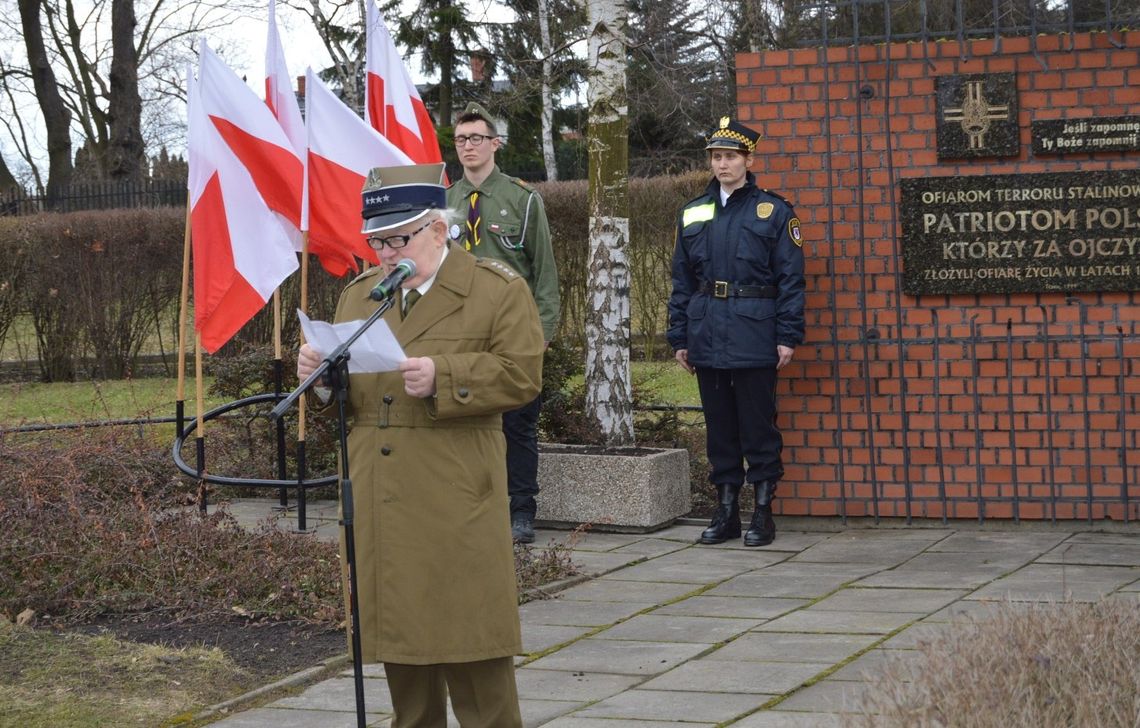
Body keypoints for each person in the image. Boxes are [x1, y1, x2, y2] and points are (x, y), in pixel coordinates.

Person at [297, 163, 544, 727]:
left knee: (476, 657)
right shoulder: (361, 297)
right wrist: (322, 379)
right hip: (380, 498)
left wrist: (446, 375)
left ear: (438, 228)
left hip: (455, 493)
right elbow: (347, 397)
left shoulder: (496, 289)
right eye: (377, 241)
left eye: (397, 238)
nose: (385, 253)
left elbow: (523, 375)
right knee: (403, 657)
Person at [666, 117, 806, 548]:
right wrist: (680, 337)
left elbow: (791, 279)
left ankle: (762, 512)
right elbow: (682, 280)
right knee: (719, 426)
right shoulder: (693, 210)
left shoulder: (774, 210)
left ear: (748, 159)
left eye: (729, 156)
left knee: (757, 425)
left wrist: (788, 334)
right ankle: (725, 510)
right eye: (715, 156)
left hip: (754, 332)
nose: (721, 164)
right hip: (707, 331)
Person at [445, 101, 560, 545]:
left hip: (512, 332)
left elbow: (544, 272)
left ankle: (521, 510)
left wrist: (542, 333)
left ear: (495, 144)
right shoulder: (447, 202)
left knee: (517, 424)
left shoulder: (522, 198)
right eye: (460, 140)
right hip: (459, 330)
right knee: (462, 419)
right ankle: (470, 504)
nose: (468, 147)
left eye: (477, 138)